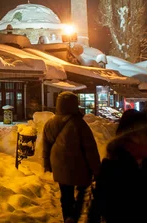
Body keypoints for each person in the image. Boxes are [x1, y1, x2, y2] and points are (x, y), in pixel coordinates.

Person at [87, 109, 147, 223]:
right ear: (124, 139)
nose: (141, 139)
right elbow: (100, 198)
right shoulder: (112, 163)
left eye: (145, 134)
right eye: (135, 135)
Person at [43, 91, 100, 223]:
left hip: (59, 164)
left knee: (66, 194)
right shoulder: (79, 124)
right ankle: (74, 215)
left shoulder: (50, 123)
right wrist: (96, 169)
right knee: (82, 191)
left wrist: (48, 164)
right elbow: (90, 149)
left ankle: (67, 217)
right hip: (79, 165)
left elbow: (46, 146)